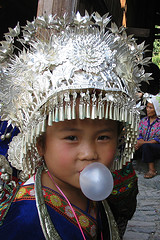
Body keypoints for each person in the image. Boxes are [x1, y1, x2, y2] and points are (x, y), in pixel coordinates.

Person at [0, 12, 151, 239]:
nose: (90, 153)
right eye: (71, 137)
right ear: (40, 143)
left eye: (103, 137)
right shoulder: (26, 219)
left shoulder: (90, 196)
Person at [135, 93, 160, 178]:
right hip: (144, 145)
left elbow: (157, 139)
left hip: (156, 148)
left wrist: (143, 143)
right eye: (147, 107)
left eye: (150, 108)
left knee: (146, 146)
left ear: (156, 109)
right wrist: (139, 141)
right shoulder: (143, 120)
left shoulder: (159, 123)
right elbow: (139, 133)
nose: (147, 110)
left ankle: (152, 170)